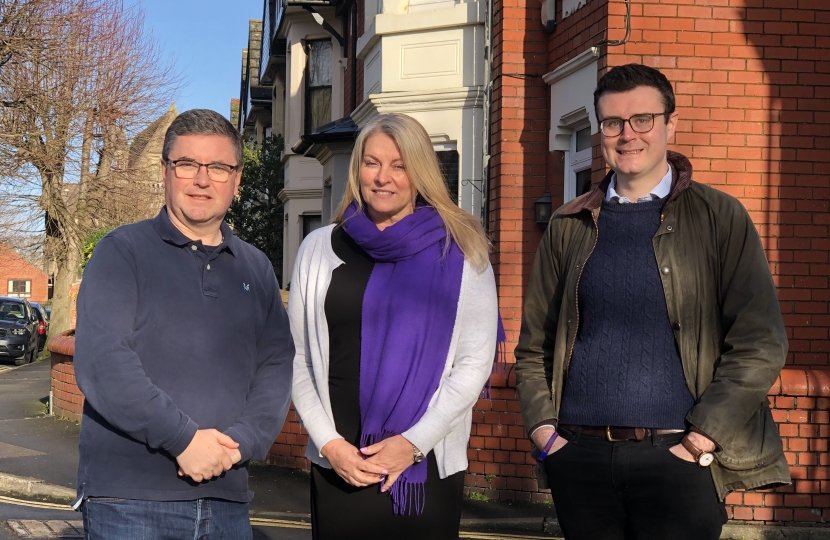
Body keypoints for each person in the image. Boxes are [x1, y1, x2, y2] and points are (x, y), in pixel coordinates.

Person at [514, 64, 791, 540]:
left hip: (678, 456)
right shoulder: (568, 223)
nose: (628, 135)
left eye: (643, 119)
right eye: (613, 123)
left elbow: (759, 343)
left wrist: (702, 438)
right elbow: (533, 346)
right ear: (600, 130)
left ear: (670, 124)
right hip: (579, 457)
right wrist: (546, 435)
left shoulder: (719, 217)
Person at [73, 109, 294, 539]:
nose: (202, 179)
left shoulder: (256, 267)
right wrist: (184, 440)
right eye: (187, 164)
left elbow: (277, 365)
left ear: (237, 179)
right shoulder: (122, 252)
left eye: (218, 167)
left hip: (227, 500)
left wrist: (241, 443)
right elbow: (104, 363)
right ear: (165, 172)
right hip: (130, 504)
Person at [289, 113, 499, 539]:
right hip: (340, 461)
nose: (383, 177)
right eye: (372, 163)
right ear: (357, 170)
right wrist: (330, 444)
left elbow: (474, 362)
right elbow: (295, 356)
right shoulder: (318, 247)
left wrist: (414, 443)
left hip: (425, 461)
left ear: (419, 172)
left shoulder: (462, 250)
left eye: (399, 165)